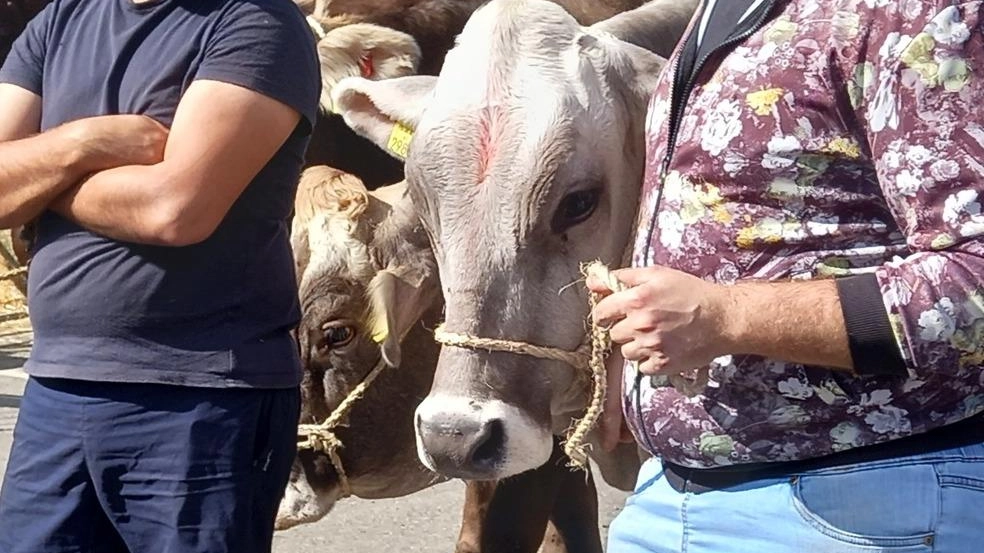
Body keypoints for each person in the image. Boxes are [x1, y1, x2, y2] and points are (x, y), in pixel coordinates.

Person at [587, 0, 984, 551]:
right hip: (675, 495)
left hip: (865, 502)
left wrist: (724, 316)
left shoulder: (907, 10)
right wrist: (632, 341)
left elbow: (975, 280)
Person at [0, 0, 320, 550]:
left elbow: (173, 211)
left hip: (201, 399)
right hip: (57, 387)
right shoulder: (61, 19)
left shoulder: (255, 22)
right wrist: (84, 145)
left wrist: (40, 181)